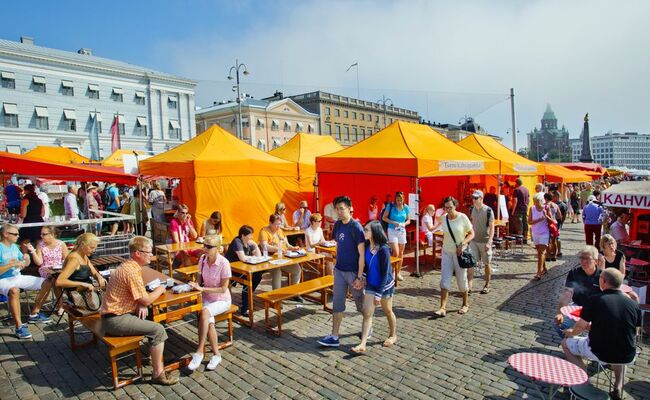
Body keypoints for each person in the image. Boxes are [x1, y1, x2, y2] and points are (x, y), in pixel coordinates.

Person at [100, 236, 179, 385]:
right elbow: (147, 300)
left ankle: (154, 356)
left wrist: (141, 303)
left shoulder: (129, 266)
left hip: (115, 313)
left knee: (151, 315)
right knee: (158, 329)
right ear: (137, 253)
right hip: (114, 320)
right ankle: (158, 374)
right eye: (148, 252)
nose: (151, 255)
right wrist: (161, 288)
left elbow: (140, 297)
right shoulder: (131, 272)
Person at [561, 268, 641, 400]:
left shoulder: (595, 299)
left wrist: (570, 332)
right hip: (627, 354)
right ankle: (618, 386)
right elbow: (634, 331)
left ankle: (583, 381)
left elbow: (580, 326)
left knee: (565, 344)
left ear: (603, 281)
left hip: (600, 351)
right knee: (619, 350)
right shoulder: (633, 304)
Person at [318, 196, 365, 347]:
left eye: (342, 208)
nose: (339, 211)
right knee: (338, 303)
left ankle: (367, 326)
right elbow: (338, 245)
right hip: (339, 270)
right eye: (337, 208)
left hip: (353, 273)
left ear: (350, 208)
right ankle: (334, 336)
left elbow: (362, 254)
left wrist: (359, 276)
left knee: (360, 304)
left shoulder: (356, 227)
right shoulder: (338, 225)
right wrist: (336, 263)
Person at [351, 220, 397, 353]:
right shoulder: (366, 246)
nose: (364, 232)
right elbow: (366, 266)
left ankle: (393, 335)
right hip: (371, 283)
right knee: (367, 312)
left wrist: (379, 294)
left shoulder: (383, 249)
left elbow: (385, 273)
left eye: (366, 230)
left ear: (374, 232)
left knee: (387, 311)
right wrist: (363, 278)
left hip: (384, 285)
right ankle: (363, 344)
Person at [0, 223, 53, 339]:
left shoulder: (14, 247)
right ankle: (19, 327)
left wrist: (27, 259)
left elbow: (25, 264)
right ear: (5, 234)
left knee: (47, 282)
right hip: (3, 280)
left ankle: (34, 313)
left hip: (17, 277)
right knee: (14, 290)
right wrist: (12, 264)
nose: (18, 236)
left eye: (18, 234)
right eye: (15, 234)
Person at [187, 235, 231, 372]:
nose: (205, 249)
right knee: (209, 322)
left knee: (205, 313)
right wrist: (195, 285)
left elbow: (223, 289)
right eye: (204, 245)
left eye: (208, 247)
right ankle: (217, 355)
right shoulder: (203, 259)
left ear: (217, 248)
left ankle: (199, 351)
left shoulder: (224, 263)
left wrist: (202, 288)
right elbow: (200, 277)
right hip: (207, 298)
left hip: (222, 299)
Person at [435, 196, 474, 317]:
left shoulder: (462, 217)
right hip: (446, 252)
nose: (448, 210)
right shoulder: (444, 218)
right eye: (446, 208)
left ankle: (465, 304)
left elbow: (472, 233)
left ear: (455, 206)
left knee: (461, 281)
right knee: (444, 280)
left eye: (450, 207)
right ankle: (442, 307)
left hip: (459, 254)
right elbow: (439, 229)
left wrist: (463, 243)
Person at [553, 246, 602, 337]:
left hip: (595, 310)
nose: (583, 261)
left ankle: (583, 343)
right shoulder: (574, 272)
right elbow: (567, 293)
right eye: (582, 258)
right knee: (557, 324)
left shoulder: (602, 276)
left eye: (587, 258)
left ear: (596, 261)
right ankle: (572, 343)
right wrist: (559, 312)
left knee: (596, 332)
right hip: (577, 307)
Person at [224, 225, 261, 317]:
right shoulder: (237, 241)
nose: (252, 237)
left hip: (243, 270)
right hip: (232, 271)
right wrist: (252, 257)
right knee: (250, 280)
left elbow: (259, 256)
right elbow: (242, 258)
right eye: (250, 235)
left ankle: (246, 299)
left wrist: (256, 245)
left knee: (257, 276)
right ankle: (245, 306)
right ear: (243, 235)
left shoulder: (249, 243)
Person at [30, 226, 68, 314]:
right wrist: (33, 252)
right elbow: (39, 262)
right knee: (54, 280)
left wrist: (61, 267)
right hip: (45, 269)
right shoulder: (40, 245)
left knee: (55, 279)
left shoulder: (61, 244)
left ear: (52, 234)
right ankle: (60, 305)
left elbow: (66, 260)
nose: (41, 236)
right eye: (41, 234)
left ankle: (59, 305)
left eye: (44, 234)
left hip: (59, 268)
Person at [258, 214, 301, 290]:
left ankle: (295, 293)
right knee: (277, 272)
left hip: (283, 258)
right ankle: (276, 298)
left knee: (297, 269)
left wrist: (293, 248)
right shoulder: (264, 231)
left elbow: (287, 245)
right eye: (276, 224)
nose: (278, 226)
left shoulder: (280, 231)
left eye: (279, 224)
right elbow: (265, 246)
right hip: (270, 260)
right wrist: (277, 249)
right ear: (270, 223)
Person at [468, 190, 495, 295]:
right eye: (473, 198)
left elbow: (492, 228)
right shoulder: (471, 209)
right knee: (470, 264)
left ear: (481, 198)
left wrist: (489, 242)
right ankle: (469, 286)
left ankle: (487, 284)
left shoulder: (488, 210)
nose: (473, 200)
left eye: (476, 198)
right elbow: (470, 224)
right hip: (474, 241)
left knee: (487, 263)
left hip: (484, 241)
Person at [382, 191, 410, 281]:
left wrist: (404, 224)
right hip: (392, 230)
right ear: (395, 199)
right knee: (396, 252)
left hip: (402, 230)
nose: (399, 202)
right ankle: (391, 271)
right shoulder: (390, 206)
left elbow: (409, 220)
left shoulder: (406, 207)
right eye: (397, 200)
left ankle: (397, 272)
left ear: (403, 199)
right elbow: (384, 218)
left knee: (401, 253)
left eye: (401, 200)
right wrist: (393, 222)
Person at [528, 193, 553, 280]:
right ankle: (544, 267)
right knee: (539, 251)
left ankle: (539, 272)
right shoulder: (532, 208)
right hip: (535, 233)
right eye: (534, 201)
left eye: (537, 201)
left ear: (541, 201)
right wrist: (539, 219)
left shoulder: (546, 208)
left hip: (544, 233)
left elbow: (552, 221)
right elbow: (529, 222)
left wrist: (546, 216)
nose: (535, 203)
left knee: (541, 252)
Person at [511, 178, 530, 244]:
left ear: (516, 183)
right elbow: (528, 199)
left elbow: (515, 201)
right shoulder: (526, 189)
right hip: (525, 208)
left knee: (519, 224)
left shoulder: (516, 190)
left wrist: (513, 211)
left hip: (518, 209)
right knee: (525, 223)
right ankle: (525, 239)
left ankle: (519, 239)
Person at [544, 192, 562, 261]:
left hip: (546, 224)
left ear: (545, 198)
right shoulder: (555, 205)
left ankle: (548, 255)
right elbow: (559, 215)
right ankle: (554, 255)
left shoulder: (544, 206)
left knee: (547, 241)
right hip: (554, 224)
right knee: (554, 241)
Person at [552, 191, 567, 257]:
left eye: (553, 196)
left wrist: (560, 222)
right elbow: (564, 216)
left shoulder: (559, 205)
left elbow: (563, 216)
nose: (552, 197)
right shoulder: (564, 204)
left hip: (556, 223)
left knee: (556, 237)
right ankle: (557, 250)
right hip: (557, 223)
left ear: (556, 196)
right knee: (556, 237)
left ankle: (558, 251)